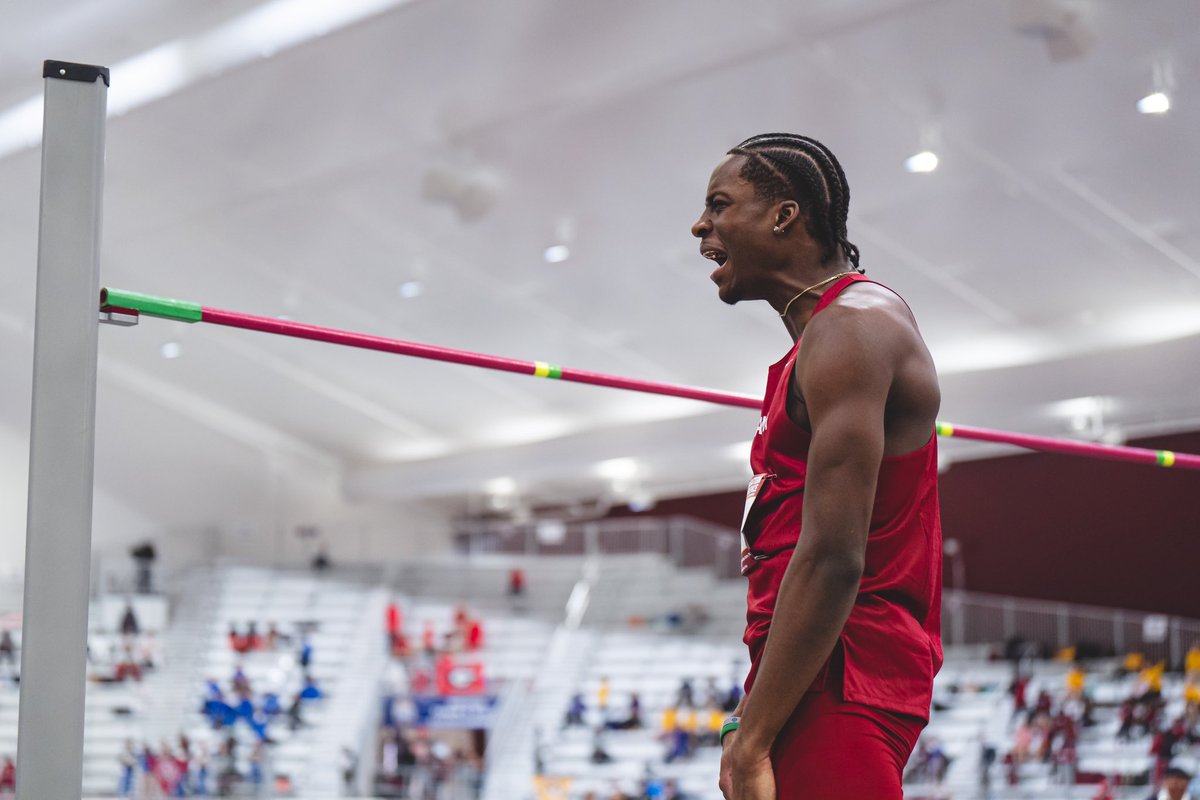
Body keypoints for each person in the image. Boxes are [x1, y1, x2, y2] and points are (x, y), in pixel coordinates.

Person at [692, 133, 942, 800]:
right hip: (810, 671)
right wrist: (754, 717)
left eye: (719, 205)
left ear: (783, 216)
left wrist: (752, 743)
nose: (700, 226)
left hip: (840, 672)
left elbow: (834, 555)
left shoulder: (851, 329)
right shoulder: (821, 341)